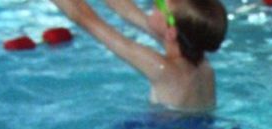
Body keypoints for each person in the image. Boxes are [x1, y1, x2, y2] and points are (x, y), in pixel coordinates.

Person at [50, 0, 227, 111]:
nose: (153, 5)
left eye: (159, 5)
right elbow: (128, 10)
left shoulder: (164, 69)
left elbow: (89, 22)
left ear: (171, 33)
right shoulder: (202, 64)